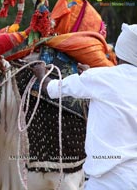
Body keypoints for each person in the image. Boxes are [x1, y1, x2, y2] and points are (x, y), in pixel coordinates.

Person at [32, 23, 137, 190]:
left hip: (106, 181)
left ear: (121, 51)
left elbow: (51, 88)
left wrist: (41, 75)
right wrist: (90, 75)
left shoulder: (99, 77)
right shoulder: (99, 77)